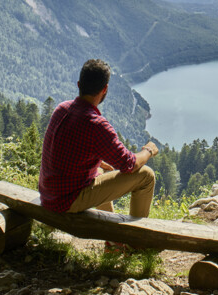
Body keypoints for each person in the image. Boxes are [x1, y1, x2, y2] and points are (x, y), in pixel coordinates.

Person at [39, 59, 159, 218]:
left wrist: (97, 162)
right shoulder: (95, 124)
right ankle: (136, 234)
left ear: (79, 84)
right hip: (65, 201)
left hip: (48, 194)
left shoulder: (62, 108)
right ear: (105, 89)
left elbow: (64, 151)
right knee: (146, 176)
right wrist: (148, 150)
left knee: (101, 169)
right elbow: (129, 164)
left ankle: (109, 231)